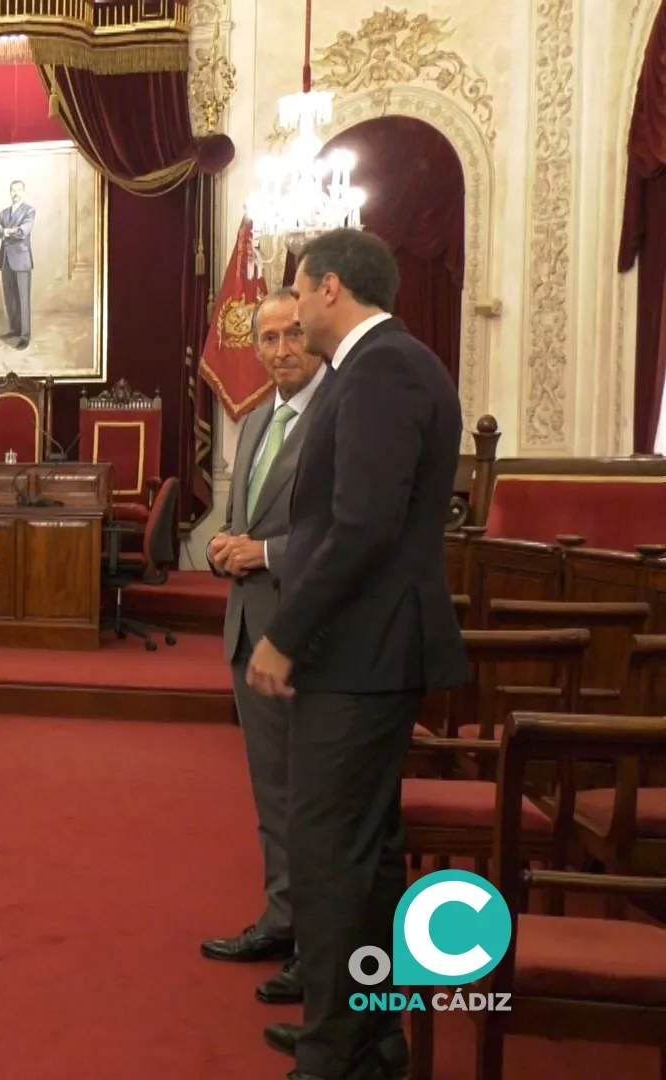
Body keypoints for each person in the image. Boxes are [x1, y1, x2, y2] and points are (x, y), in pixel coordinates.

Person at [244, 229, 466, 1080]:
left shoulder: (385, 370)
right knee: (366, 857)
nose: (292, 314)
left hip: (362, 652)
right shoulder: (375, 369)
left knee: (330, 850)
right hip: (369, 649)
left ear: (330, 289)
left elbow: (362, 525)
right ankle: (369, 1037)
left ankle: (333, 1053)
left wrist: (286, 634)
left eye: (297, 294)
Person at [200, 288, 326, 1008]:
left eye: (293, 335)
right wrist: (225, 545)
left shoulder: (337, 419)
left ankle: (319, 945)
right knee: (271, 794)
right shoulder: (254, 423)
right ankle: (282, 920)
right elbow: (240, 517)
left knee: (311, 798)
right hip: (248, 628)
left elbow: (351, 531)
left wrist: (267, 553)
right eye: (268, 339)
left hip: (306, 635)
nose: (280, 350)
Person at [0, 180, 35, 348]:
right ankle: (14, 329)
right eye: (12, 190)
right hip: (6, 260)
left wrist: (5, 232)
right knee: (10, 298)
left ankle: (25, 335)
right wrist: (8, 231)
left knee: (23, 298)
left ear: (24, 191)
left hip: (22, 260)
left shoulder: (29, 211)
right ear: (9, 192)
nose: (15, 193)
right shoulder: (4, 213)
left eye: (19, 190)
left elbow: (24, 231)